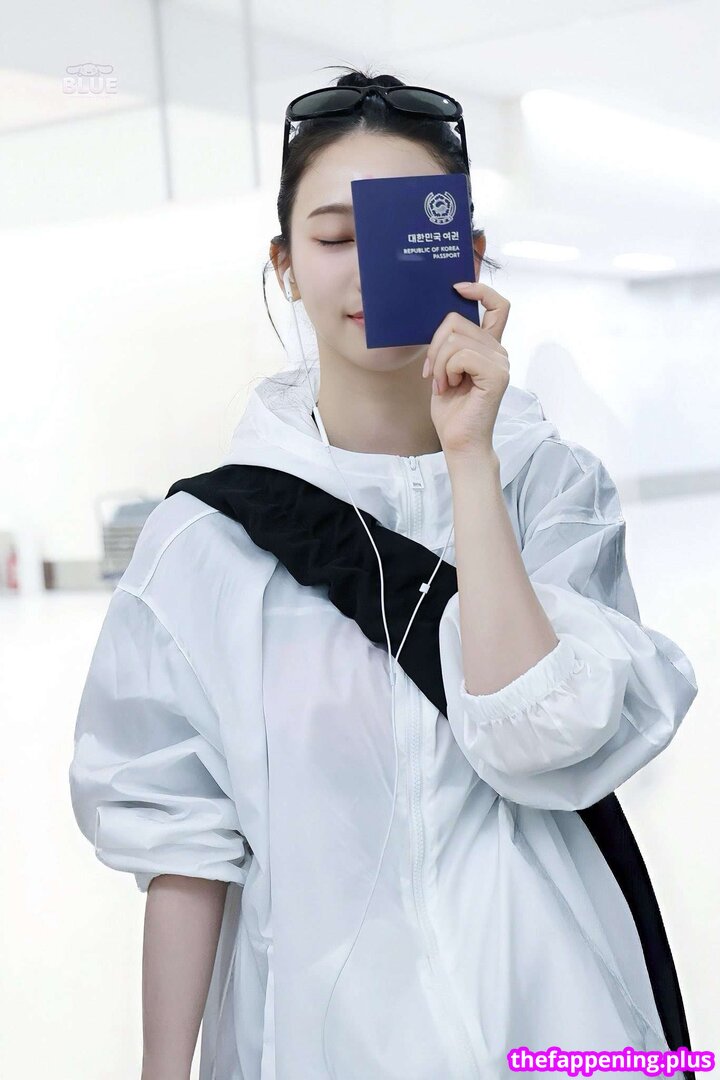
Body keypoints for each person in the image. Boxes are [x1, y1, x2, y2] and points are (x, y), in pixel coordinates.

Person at [68, 66, 700, 1080]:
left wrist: (470, 457)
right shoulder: (204, 543)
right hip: (323, 1043)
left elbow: (544, 734)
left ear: (466, 254)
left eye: (404, 234)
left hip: (552, 1024)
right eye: (332, 239)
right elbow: (184, 844)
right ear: (283, 265)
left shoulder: (551, 490)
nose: (367, 273)